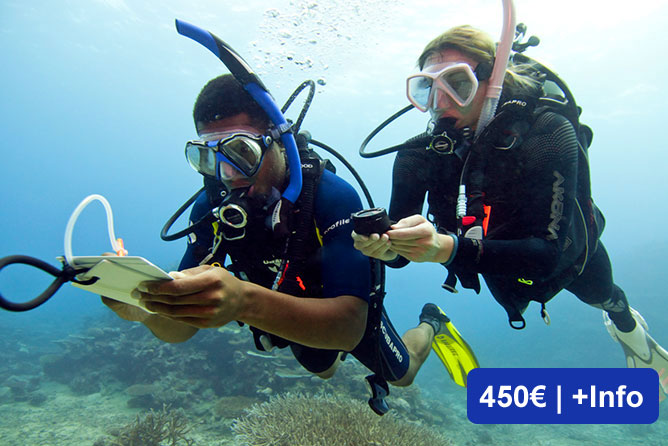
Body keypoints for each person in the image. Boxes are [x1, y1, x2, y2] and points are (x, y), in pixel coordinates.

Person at [102, 73, 452, 415]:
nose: (227, 173)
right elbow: (180, 327)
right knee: (323, 368)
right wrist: (145, 308)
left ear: (278, 140)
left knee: (403, 374)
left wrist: (242, 301)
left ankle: (430, 322)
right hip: (284, 311)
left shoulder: (332, 196)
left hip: (342, 310)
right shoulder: (211, 208)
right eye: (208, 157)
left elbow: (348, 327)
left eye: (241, 151)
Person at [353, 25, 668, 399]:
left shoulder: (547, 133)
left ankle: (630, 331)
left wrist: (446, 249)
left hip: (568, 255)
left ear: (493, 81)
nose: (440, 102)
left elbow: (547, 256)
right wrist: (386, 248)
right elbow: (399, 256)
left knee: (605, 295)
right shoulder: (418, 154)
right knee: (512, 293)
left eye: (457, 82)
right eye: (428, 87)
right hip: (492, 262)